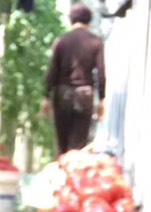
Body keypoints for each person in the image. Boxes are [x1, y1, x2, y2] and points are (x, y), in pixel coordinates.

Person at [42, 5, 106, 155]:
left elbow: (53, 71)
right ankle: (74, 175)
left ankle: (63, 174)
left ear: (71, 20)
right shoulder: (96, 42)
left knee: (62, 144)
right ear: (89, 20)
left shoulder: (61, 42)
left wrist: (46, 97)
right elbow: (101, 73)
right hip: (85, 95)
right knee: (78, 146)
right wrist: (102, 99)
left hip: (62, 95)